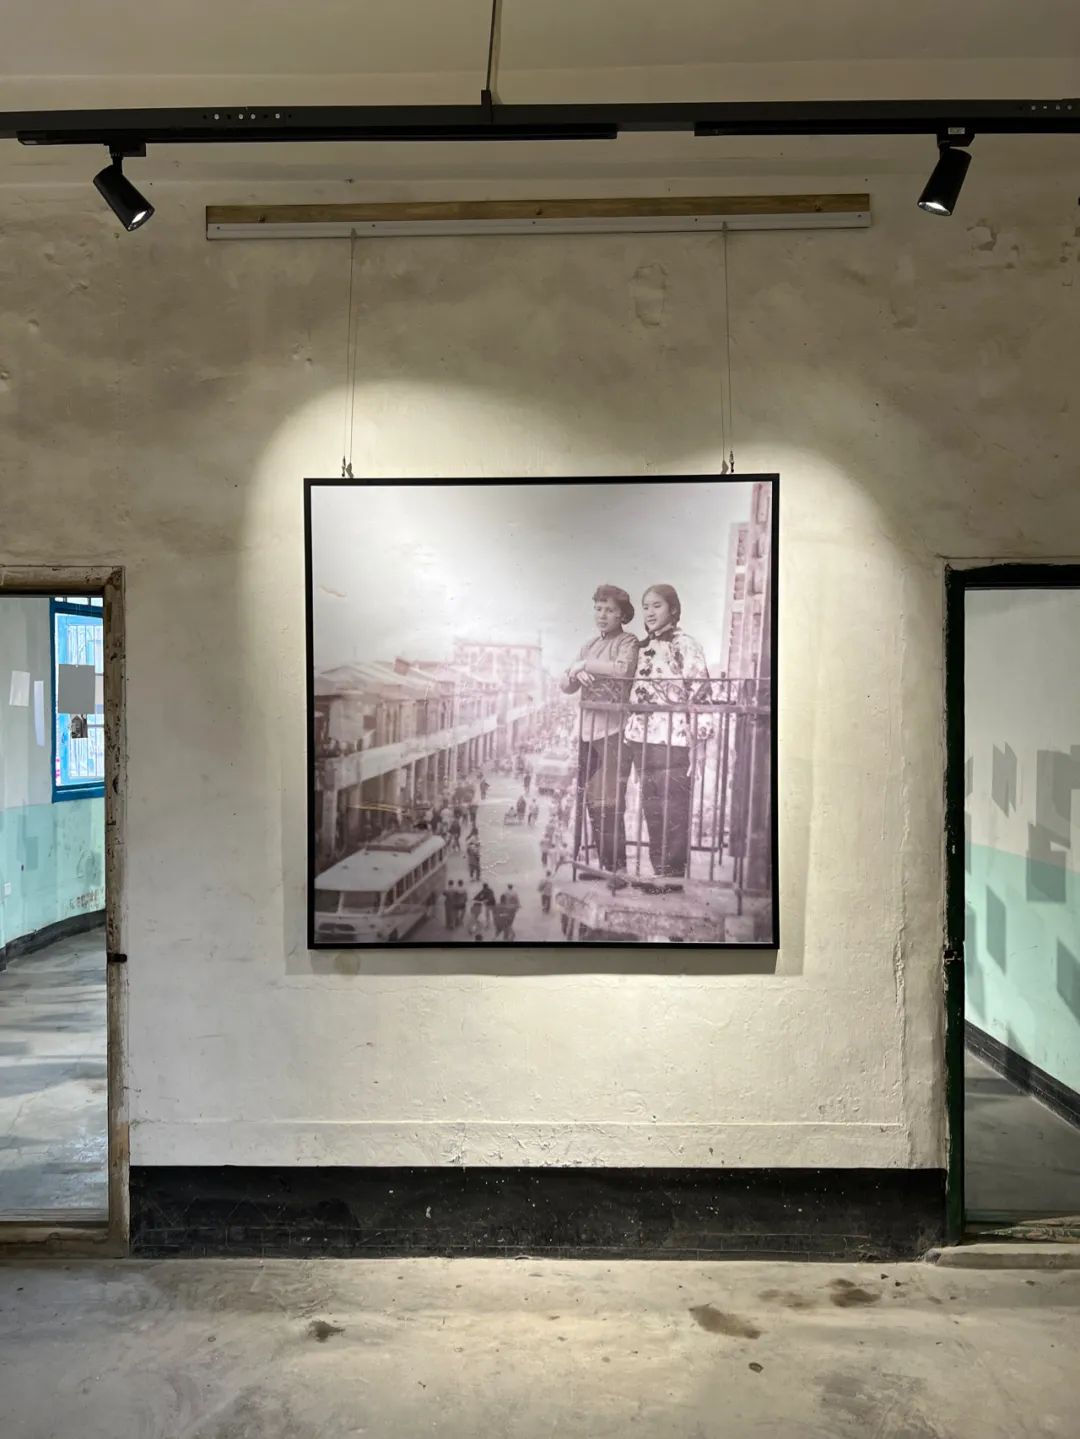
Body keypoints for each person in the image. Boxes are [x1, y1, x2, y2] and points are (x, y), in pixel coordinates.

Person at [623, 583, 711, 885]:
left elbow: (701, 694)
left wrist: (699, 744)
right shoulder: (642, 647)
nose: (649, 612)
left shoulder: (685, 645)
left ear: (673, 609)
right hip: (641, 740)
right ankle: (659, 872)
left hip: (674, 741)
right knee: (652, 809)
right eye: (646, 606)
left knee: (674, 810)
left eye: (656, 605)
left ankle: (672, 878)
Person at [560, 584, 639, 875]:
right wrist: (575, 672)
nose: (602, 615)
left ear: (622, 615)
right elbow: (565, 685)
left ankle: (617, 869)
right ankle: (604, 866)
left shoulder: (628, 641)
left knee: (609, 802)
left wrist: (585, 665)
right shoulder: (589, 645)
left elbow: (623, 669)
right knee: (592, 801)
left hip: (613, 733)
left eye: (610, 610)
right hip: (587, 733)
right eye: (598, 609)